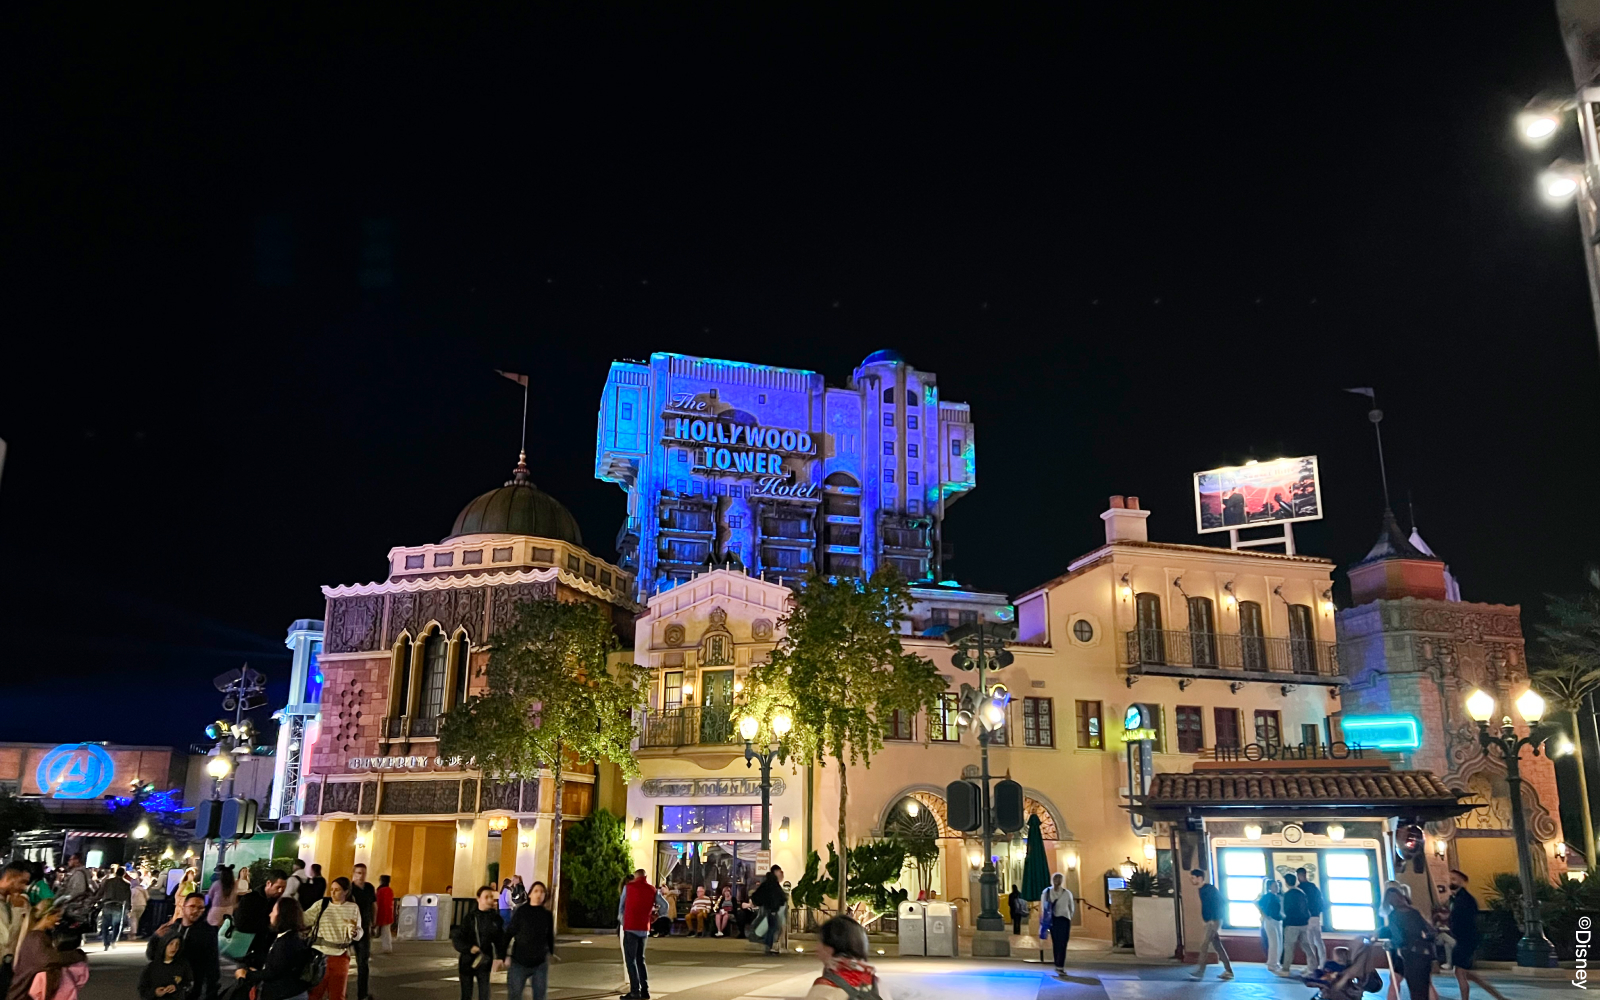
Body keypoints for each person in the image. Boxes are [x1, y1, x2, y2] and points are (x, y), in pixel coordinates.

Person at [235, 896, 313, 1000]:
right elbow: (278, 964)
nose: (270, 914)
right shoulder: (291, 937)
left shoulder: (286, 943)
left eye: (273, 911)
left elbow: (273, 972)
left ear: (282, 915)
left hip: (285, 995)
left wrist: (246, 975)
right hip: (293, 992)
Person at [1446, 871, 1508, 1000]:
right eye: (1451, 879)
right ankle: (1499, 997)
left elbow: (1464, 920)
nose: (1452, 882)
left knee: (1459, 972)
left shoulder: (1464, 899)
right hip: (1465, 939)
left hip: (1465, 940)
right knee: (1467, 974)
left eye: (1455, 879)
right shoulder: (1459, 898)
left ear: (1463, 882)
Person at [9, 901, 87, 1000]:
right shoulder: (37, 937)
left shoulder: (34, 935)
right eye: (56, 916)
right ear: (47, 916)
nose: (58, 920)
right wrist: (76, 955)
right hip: (25, 993)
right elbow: (47, 960)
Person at [148, 893, 218, 1000]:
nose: (195, 911)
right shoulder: (171, 929)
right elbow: (152, 955)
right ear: (183, 906)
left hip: (192, 985)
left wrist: (211, 991)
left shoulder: (207, 932)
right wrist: (155, 937)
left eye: (200, 908)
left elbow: (212, 964)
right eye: (192, 906)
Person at [805, 915, 890, 1000]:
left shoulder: (824, 989)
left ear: (829, 948)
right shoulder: (877, 985)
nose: (816, 947)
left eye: (820, 941)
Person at [305, 878, 362, 1000]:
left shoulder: (352, 908)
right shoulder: (322, 904)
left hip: (340, 955)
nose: (333, 892)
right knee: (315, 993)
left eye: (337, 890)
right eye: (331, 889)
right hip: (320, 954)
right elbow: (305, 919)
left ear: (346, 892)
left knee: (337, 994)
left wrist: (355, 932)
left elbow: (358, 931)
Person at [449, 886, 503, 1000]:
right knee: (466, 994)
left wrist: (500, 957)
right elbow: (458, 938)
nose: (489, 900)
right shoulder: (470, 918)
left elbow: (500, 940)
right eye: (486, 897)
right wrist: (469, 948)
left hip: (484, 960)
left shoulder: (495, 919)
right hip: (468, 961)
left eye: (491, 897)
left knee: (484, 993)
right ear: (478, 899)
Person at [504, 881, 555, 1000]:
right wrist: (502, 955)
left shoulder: (546, 915)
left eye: (542, 892)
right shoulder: (521, 912)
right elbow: (509, 933)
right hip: (519, 961)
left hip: (539, 962)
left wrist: (551, 952)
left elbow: (549, 935)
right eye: (536, 891)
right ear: (530, 894)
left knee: (540, 995)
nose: (539, 894)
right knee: (515, 995)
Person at [1380, 887, 1434, 1000]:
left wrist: (1391, 944)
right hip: (1424, 953)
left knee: (1414, 989)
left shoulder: (1394, 915)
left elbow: (1399, 939)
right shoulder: (1414, 912)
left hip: (1408, 955)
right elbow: (1430, 931)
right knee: (1425, 986)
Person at [618, 870, 664, 1000]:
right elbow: (664, 905)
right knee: (640, 960)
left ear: (636, 876)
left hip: (631, 928)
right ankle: (645, 990)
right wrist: (656, 915)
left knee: (630, 960)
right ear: (645, 877)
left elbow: (621, 908)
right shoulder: (652, 889)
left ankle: (634, 991)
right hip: (644, 929)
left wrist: (624, 922)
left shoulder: (628, 888)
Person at [232, 870, 287, 969]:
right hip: (248, 948)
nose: (280, 891)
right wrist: (267, 927)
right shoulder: (250, 899)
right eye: (278, 887)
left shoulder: (279, 902)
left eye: (283, 888)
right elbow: (240, 924)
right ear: (269, 883)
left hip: (267, 948)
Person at [1185, 869, 1233, 981]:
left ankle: (1200, 971)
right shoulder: (1204, 889)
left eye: (1193, 878)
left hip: (1214, 920)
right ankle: (1228, 971)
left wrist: (1212, 919)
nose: (1191, 880)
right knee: (1217, 945)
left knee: (1204, 944)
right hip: (1212, 920)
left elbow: (1217, 903)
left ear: (1199, 878)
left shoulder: (1208, 890)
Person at [0, 860, 36, 998]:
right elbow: (5, 937)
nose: (24, 887)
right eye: (22, 882)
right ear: (9, 878)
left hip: (8, 967)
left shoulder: (14, 902)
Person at [348, 865, 377, 1000]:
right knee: (341, 961)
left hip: (364, 927)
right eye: (359, 873)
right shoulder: (349, 889)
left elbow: (373, 905)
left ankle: (363, 994)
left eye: (364, 873)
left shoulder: (369, 888)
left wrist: (373, 922)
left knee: (363, 962)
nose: (361, 876)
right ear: (354, 874)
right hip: (349, 928)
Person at [1039, 872, 1075, 976]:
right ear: (1062, 881)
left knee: (1056, 942)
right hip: (1064, 919)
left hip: (1053, 920)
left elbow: (1043, 907)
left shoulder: (1046, 892)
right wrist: (1069, 916)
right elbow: (1071, 908)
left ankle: (1057, 964)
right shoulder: (1067, 893)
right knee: (1063, 943)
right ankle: (1060, 965)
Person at [139, 931, 192, 1000]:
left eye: (177, 944)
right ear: (164, 944)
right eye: (171, 944)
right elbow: (142, 989)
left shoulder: (183, 965)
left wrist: (177, 987)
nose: (174, 947)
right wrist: (155, 992)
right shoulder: (152, 967)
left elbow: (189, 984)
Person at [1279, 872, 1312, 976]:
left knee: (1289, 947)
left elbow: (1286, 910)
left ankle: (1285, 969)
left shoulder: (1288, 894)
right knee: (1307, 947)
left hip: (1292, 924)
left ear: (1286, 882)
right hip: (1304, 923)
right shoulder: (1301, 893)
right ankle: (1312, 967)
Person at [1296, 867, 1327, 971]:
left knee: (1309, 943)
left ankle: (1312, 966)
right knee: (1319, 941)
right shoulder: (1313, 886)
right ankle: (1322, 964)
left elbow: (1300, 904)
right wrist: (1318, 912)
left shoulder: (1300, 888)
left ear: (1299, 876)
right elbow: (1321, 901)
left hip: (1306, 918)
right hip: (1316, 917)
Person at [94, 866, 132, 951]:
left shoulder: (108, 882)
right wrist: (128, 907)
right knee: (117, 925)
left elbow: (101, 892)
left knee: (105, 924)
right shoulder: (126, 884)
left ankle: (105, 943)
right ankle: (113, 940)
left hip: (107, 904)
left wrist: (95, 900)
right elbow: (128, 897)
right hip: (118, 905)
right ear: (124, 874)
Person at [752, 869, 787, 956]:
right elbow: (778, 897)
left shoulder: (766, 884)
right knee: (773, 927)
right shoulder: (774, 885)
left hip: (767, 908)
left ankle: (768, 946)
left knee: (772, 927)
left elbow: (757, 895)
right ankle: (769, 946)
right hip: (773, 909)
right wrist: (775, 907)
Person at [1256, 878, 1284, 975]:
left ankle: (1277, 962)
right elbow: (1257, 903)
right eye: (1275, 886)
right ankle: (1272, 963)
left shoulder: (1278, 896)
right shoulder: (1267, 896)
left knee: (1279, 942)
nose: (1277, 888)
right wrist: (1264, 915)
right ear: (1270, 887)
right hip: (1270, 920)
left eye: (1278, 886)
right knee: (1274, 942)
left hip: (1278, 920)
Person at [373, 877, 395, 956]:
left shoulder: (380, 890)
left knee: (378, 931)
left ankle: (386, 948)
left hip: (381, 913)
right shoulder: (389, 890)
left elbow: (378, 902)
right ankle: (387, 947)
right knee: (386, 931)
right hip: (388, 913)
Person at [130, 873, 149, 941]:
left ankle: (133, 933)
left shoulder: (132, 890)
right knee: (137, 919)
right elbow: (147, 897)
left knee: (133, 919)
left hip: (134, 905)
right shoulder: (143, 889)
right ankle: (135, 932)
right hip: (142, 905)